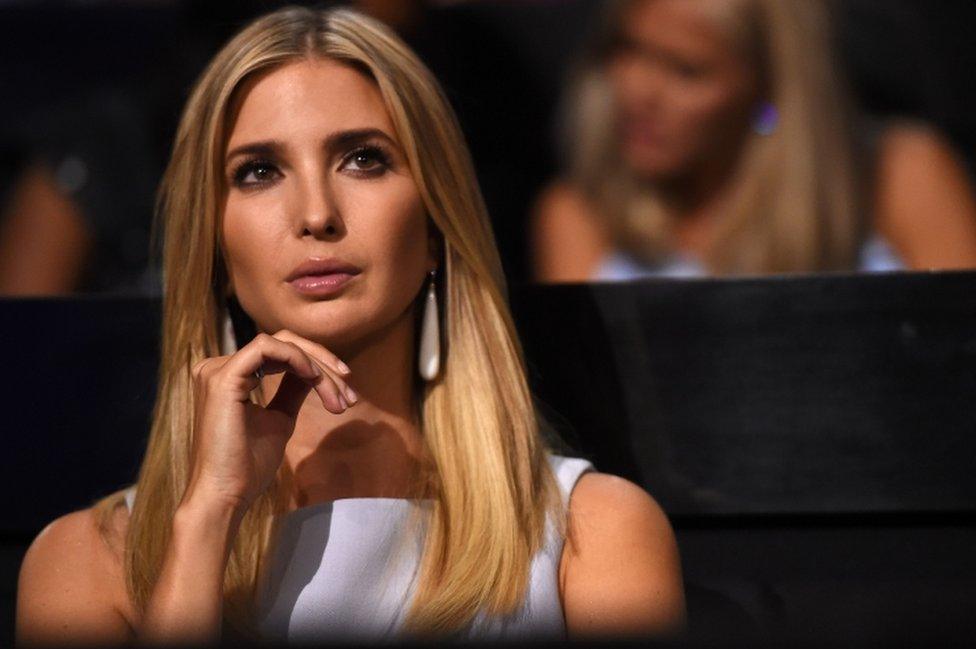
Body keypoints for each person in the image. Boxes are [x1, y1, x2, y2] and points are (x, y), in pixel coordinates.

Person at [15, 6, 685, 645]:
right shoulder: (85, 561)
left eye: (364, 158)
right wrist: (207, 520)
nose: (316, 213)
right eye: (258, 172)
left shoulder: (592, 532)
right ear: (214, 249)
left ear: (435, 224)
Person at [531, 0, 976, 282]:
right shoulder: (579, 213)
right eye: (626, 49)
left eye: (686, 70)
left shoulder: (902, 175)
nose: (637, 91)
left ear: (769, 86)